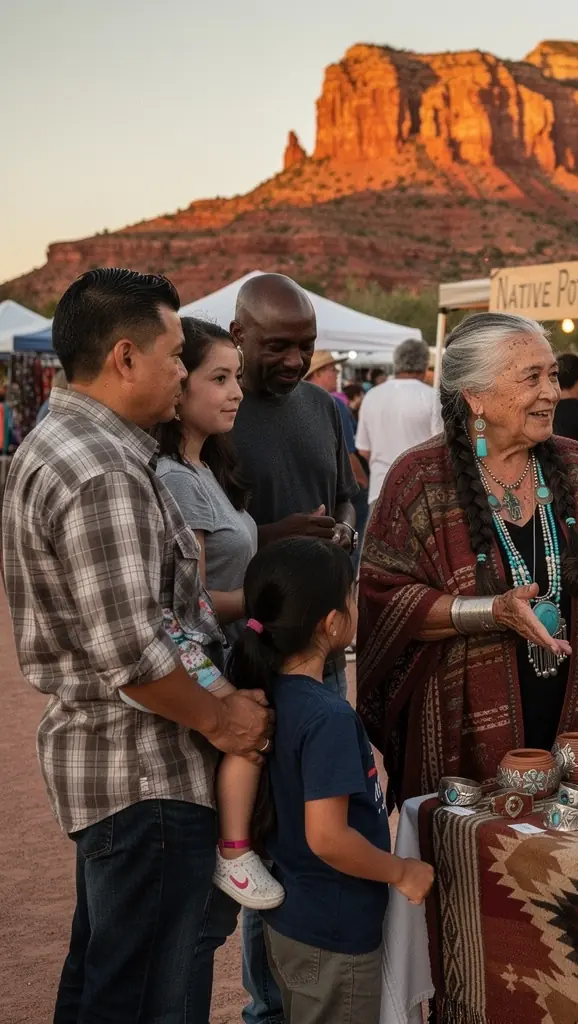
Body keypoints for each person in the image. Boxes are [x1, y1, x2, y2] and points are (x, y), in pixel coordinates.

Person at [1, 268, 272, 1023]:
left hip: (122, 768)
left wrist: (218, 694)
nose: (183, 373)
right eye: (178, 355)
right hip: (142, 770)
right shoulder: (102, 472)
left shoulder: (84, 448)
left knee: (105, 983)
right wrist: (225, 720)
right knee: (141, 996)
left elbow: (159, 621)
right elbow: (135, 653)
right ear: (125, 357)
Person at [357, 312, 578, 804]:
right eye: (532, 377)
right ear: (474, 396)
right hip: (466, 736)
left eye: (552, 375)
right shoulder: (419, 480)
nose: (552, 392)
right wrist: (491, 611)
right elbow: (385, 597)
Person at [232, 538, 435, 1024]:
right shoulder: (327, 717)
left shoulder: (269, 695)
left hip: (298, 921)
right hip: (333, 934)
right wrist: (401, 872)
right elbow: (327, 836)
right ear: (331, 622)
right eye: (351, 596)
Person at [228, 271, 359, 1024]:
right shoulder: (213, 412)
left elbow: (343, 495)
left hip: (325, 656)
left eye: (306, 346)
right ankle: (264, 1005)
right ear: (239, 334)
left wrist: (340, 529)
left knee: (317, 825)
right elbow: (206, 543)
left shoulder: (324, 408)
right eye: (278, 346)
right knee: (260, 838)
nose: (294, 360)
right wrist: (276, 540)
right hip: (248, 661)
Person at [149, 316, 283, 918]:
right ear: (179, 391)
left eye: (236, 378)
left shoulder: (205, 468)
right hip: (203, 665)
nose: (236, 391)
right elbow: (192, 600)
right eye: (219, 378)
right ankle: (234, 853)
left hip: (229, 654)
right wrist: (275, 601)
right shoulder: (176, 479)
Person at [355, 338, 437, 511]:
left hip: (380, 490)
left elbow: (363, 451)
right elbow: (440, 450)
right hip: (421, 493)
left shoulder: (372, 396)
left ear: (397, 363)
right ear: (424, 365)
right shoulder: (433, 397)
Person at [306, 351, 371, 558]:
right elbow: (349, 454)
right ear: (317, 373)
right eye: (332, 370)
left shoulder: (302, 403)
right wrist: (362, 481)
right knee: (349, 545)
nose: (336, 374)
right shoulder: (331, 404)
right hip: (345, 492)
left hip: (321, 492)